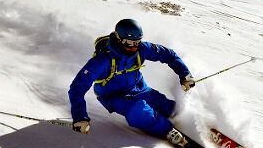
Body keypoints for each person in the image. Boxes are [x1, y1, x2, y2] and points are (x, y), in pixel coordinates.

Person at [68, 19, 196, 137]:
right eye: (129, 43)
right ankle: (168, 131)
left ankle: (191, 125)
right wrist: (80, 117)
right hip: (114, 97)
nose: (134, 47)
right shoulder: (102, 60)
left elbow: (169, 55)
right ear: (119, 39)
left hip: (140, 89)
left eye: (137, 42)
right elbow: (77, 88)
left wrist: (185, 74)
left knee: (171, 109)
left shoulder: (142, 49)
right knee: (138, 111)